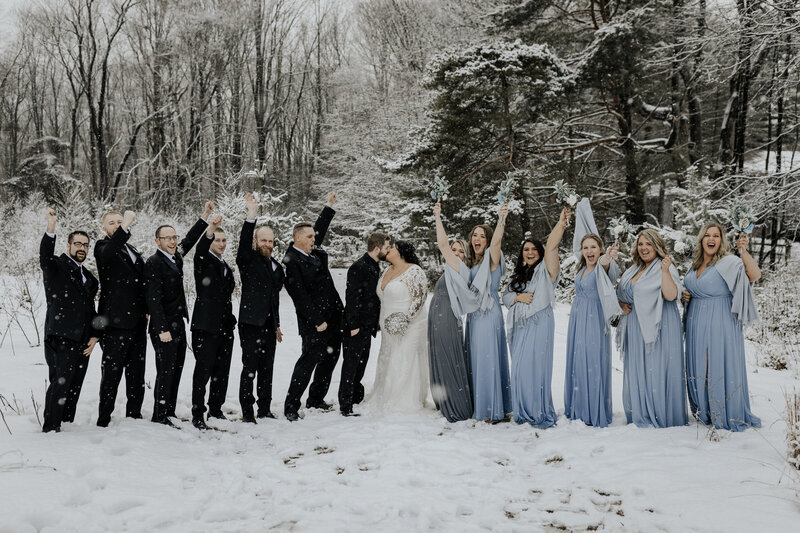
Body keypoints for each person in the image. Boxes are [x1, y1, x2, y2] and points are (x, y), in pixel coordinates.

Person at [681, 222, 761, 431]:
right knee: (699, 364)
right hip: (696, 321)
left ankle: (724, 410)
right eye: (707, 235)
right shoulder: (694, 265)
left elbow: (754, 275)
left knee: (717, 362)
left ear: (721, 240)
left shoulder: (729, 262)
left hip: (721, 321)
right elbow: (688, 288)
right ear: (701, 239)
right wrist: (685, 294)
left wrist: (743, 251)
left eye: (716, 236)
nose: (711, 239)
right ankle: (704, 410)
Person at [145, 202, 213, 426]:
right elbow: (153, 299)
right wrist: (162, 328)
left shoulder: (176, 257)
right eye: (167, 238)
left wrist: (204, 217)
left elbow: (189, 241)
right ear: (158, 242)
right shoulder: (154, 263)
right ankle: (159, 414)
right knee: (165, 370)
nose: (173, 241)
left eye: (174, 237)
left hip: (178, 323)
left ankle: (169, 410)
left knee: (177, 368)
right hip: (163, 326)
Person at [502, 207, 568, 428]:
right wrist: (518, 297)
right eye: (526, 249)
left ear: (540, 252)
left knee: (535, 367)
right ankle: (522, 411)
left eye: (533, 249)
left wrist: (560, 224)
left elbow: (552, 247)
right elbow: (506, 297)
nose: (529, 252)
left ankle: (538, 411)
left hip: (540, 323)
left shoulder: (547, 272)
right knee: (519, 369)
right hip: (519, 327)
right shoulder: (518, 275)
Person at [616, 229, 687, 428]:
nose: (644, 248)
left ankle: (660, 413)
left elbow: (672, 295)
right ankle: (641, 411)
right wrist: (622, 305)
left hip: (660, 324)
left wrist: (665, 272)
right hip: (635, 325)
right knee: (640, 368)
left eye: (648, 244)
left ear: (657, 246)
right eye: (640, 244)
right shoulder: (633, 269)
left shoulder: (665, 266)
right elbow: (622, 293)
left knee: (656, 367)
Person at [282, 192, 343, 422]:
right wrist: (317, 321)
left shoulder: (313, 251)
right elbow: (300, 297)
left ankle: (316, 398)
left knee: (330, 358)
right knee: (307, 362)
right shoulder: (292, 260)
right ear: (297, 238)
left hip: (333, 316)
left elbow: (319, 229)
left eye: (313, 236)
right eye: (308, 237)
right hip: (314, 322)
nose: (313, 239)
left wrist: (328, 206)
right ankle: (291, 405)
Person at [39, 208, 99, 433]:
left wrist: (95, 335)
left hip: (83, 340)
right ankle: (51, 428)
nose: (82, 248)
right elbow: (45, 256)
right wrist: (51, 228)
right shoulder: (57, 267)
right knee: (60, 383)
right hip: (61, 336)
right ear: (69, 246)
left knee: (75, 384)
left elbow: (90, 309)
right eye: (78, 244)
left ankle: (67, 424)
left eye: (85, 245)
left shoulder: (90, 278)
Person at [564, 199, 621, 428]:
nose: (589, 251)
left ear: (599, 249)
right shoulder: (582, 268)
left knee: (593, 361)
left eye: (593, 247)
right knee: (578, 360)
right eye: (585, 247)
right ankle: (578, 407)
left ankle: (593, 410)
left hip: (594, 319)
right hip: (578, 319)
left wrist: (607, 258)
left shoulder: (600, 267)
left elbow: (607, 266)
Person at [94, 209, 147, 427]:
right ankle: (104, 418)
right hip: (115, 323)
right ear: (104, 228)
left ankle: (134, 415)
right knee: (111, 373)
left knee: (137, 373)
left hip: (137, 322)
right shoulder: (103, 247)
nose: (117, 225)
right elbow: (110, 252)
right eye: (112, 222)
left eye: (119, 222)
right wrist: (125, 225)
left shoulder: (131, 249)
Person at [237, 193, 285, 423]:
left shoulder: (276, 266)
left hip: (268, 325)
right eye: (263, 240)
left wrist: (276, 325)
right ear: (256, 242)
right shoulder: (247, 259)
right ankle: (248, 412)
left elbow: (274, 297)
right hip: (250, 324)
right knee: (250, 368)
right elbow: (245, 238)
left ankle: (264, 408)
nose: (267, 244)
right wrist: (251, 215)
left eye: (271, 241)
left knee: (268, 369)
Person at [429, 202, 475, 422]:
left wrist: (438, 216)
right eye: (453, 250)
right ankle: (445, 400)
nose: (455, 253)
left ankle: (456, 405)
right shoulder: (450, 270)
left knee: (449, 357)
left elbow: (442, 243)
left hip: (447, 317)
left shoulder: (460, 268)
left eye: (460, 251)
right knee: (441, 356)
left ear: (465, 256)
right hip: (438, 316)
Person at [189, 215, 236, 430]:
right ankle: (198, 413)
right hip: (205, 326)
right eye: (218, 240)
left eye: (224, 240)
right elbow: (200, 249)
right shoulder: (203, 260)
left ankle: (216, 408)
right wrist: (211, 229)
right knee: (203, 371)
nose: (222, 244)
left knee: (222, 370)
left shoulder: (225, 264)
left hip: (225, 326)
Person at [371, 241, 430, 411]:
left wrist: (404, 320)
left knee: (404, 357)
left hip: (409, 325)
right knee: (388, 357)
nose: (388, 250)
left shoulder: (414, 271)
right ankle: (386, 395)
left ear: (401, 252)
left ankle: (405, 401)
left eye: (393, 248)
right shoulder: (386, 271)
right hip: (387, 325)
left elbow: (420, 298)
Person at [466, 203, 511, 422]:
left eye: (482, 236)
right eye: (474, 235)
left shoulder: (493, 259)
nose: (477, 239)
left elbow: (497, 242)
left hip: (489, 312)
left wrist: (501, 219)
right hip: (474, 315)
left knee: (488, 357)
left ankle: (491, 409)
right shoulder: (472, 262)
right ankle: (481, 404)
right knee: (476, 358)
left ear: (488, 240)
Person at [338, 232, 390, 416]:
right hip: (356, 326)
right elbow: (351, 298)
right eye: (386, 248)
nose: (388, 251)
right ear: (377, 248)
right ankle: (345, 405)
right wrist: (353, 326)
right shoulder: (358, 267)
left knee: (361, 363)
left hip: (367, 326)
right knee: (351, 365)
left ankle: (354, 397)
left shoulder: (374, 265)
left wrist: (375, 322)